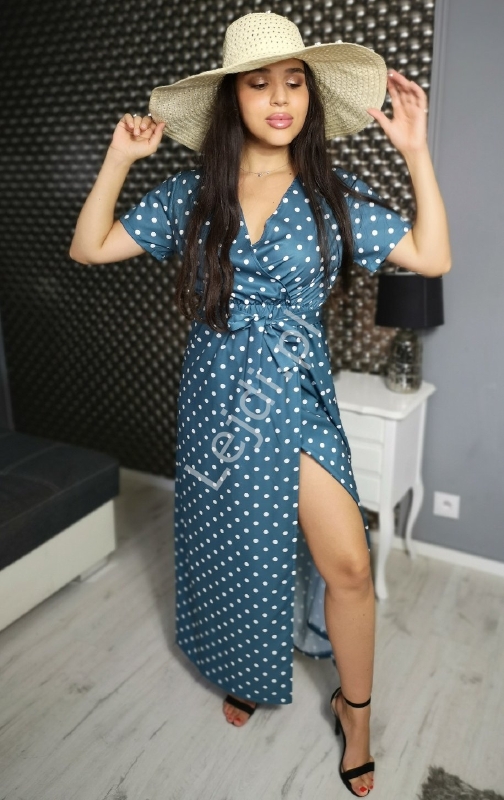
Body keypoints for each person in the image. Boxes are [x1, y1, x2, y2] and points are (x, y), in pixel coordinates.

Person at [69, 12, 451, 797]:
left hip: (293, 391)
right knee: (235, 547)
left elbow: (431, 255)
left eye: (293, 83)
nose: (279, 99)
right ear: (232, 99)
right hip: (217, 397)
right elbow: (90, 246)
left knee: (348, 565)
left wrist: (415, 151)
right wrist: (119, 158)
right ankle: (245, 664)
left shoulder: (332, 196)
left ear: (310, 97)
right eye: (258, 83)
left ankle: (355, 715)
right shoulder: (190, 196)